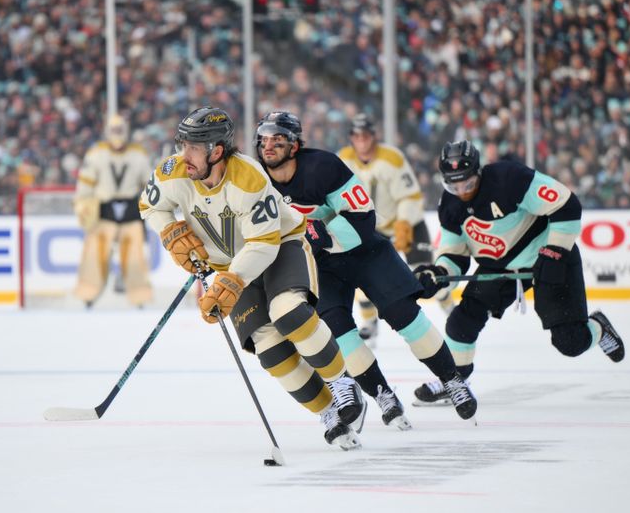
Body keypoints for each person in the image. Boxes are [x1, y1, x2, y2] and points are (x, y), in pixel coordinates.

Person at [138, 106, 367, 451]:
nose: (184, 155)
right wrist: (169, 229)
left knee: (289, 312)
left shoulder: (249, 177)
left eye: (193, 147)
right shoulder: (173, 172)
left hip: (279, 246)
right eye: (182, 144)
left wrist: (230, 282)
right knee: (269, 347)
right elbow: (149, 205)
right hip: (230, 265)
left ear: (217, 151)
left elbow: (262, 243)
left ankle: (341, 383)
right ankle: (328, 413)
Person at [254, 111, 477, 427]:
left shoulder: (323, 166)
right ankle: (383, 394)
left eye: (279, 139)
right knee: (339, 333)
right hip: (321, 265)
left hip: (364, 250)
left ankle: (452, 379)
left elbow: (363, 216)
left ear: (294, 145)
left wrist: (322, 234)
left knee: (404, 314)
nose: (269, 145)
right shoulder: (255, 180)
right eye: (264, 139)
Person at [412, 140, 625, 405]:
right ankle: (456, 380)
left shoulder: (509, 179)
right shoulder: (450, 205)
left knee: (570, 342)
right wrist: (438, 273)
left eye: (467, 184)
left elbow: (566, 204)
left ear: (479, 172)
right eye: (453, 185)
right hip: (500, 268)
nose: (462, 192)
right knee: (460, 323)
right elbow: (455, 254)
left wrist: (554, 252)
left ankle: (600, 329)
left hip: (548, 256)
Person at [337, 113, 454, 344]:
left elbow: (410, 195)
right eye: (357, 136)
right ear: (351, 138)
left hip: (406, 223)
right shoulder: (342, 159)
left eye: (366, 135)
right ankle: (370, 321)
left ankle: (451, 309)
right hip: (369, 229)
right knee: (361, 272)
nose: (361, 140)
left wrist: (403, 223)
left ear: (374, 136)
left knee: (425, 272)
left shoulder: (392, 158)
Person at [74, 114, 153, 308]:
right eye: (114, 130)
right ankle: (88, 295)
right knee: (94, 255)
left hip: (131, 211)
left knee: (135, 257)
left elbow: (149, 186)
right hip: (103, 211)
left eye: (120, 130)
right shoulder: (96, 153)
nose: (117, 135)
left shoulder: (139, 154)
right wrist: (83, 206)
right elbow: (85, 186)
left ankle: (139, 297)